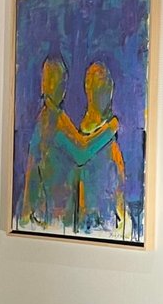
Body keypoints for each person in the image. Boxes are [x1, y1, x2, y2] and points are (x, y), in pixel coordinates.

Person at [19, 54, 117, 230]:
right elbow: (81, 153)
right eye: (57, 80)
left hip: (51, 214)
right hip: (52, 216)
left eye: (62, 79)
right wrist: (111, 128)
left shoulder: (50, 117)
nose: (60, 86)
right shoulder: (52, 120)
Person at [76, 60, 127, 236]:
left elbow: (118, 179)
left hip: (108, 215)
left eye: (107, 85)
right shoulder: (99, 133)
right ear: (89, 89)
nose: (106, 92)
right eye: (101, 85)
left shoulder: (107, 130)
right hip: (94, 219)